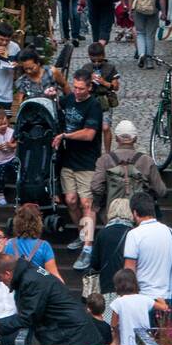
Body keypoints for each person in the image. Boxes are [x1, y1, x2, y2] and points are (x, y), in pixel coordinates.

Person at [0, 254, 103, 345]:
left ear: (7, 274)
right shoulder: (32, 272)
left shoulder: (30, 281)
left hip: (74, 337)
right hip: (71, 333)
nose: (0, 281)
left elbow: (28, 317)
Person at [54, 67, 103, 272]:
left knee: (86, 203)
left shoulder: (94, 106)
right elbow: (58, 105)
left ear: (89, 87)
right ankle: (82, 234)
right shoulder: (70, 99)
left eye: (81, 88)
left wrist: (66, 135)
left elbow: (89, 134)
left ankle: (89, 246)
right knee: (71, 200)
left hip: (86, 162)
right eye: (74, 87)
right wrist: (52, 97)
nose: (77, 91)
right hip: (68, 161)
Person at [90, 120, 166, 218]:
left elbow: (96, 188)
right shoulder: (147, 161)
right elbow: (161, 191)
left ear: (116, 138)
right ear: (135, 139)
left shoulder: (104, 160)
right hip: (140, 214)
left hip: (112, 213)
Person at [123, 192, 172, 302]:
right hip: (167, 297)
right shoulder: (170, 232)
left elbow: (129, 271)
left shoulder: (134, 234)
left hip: (143, 298)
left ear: (135, 212)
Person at [89, 197, 135, 319]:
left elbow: (94, 262)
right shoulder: (133, 233)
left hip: (108, 285)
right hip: (130, 287)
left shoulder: (103, 233)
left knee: (110, 324)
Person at [2, 202, 63, 280]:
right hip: (38, 289)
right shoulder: (44, 246)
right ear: (39, 223)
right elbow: (53, 274)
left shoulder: (9, 244)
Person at [110, 267, 167, 345]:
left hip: (127, 344)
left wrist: (117, 332)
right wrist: (161, 301)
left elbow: (113, 324)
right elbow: (164, 308)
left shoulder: (118, 302)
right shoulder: (145, 299)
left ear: (117, 286)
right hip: (145, 344)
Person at [131, 0, 167, 69]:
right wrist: (163, 11)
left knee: (140, 32)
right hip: (153, 8)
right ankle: (150, 61)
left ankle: (142, 54)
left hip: (139, 8)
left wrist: (130, 9)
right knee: (150, 35)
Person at [86, 41, 120, 152]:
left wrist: (104, 82)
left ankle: (107, 153)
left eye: (99, 60)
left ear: (103, 56)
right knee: (92, 128)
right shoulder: (86, 68)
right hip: (90, 100)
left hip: (104, 99)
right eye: (93, 61)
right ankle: (93, 151)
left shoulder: (110, 68)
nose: (96, 63)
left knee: (105, 127)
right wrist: (88, 80)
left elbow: (116, 87)